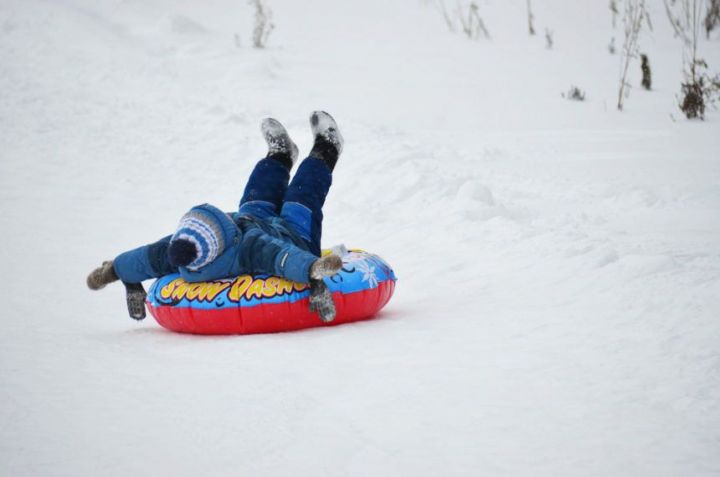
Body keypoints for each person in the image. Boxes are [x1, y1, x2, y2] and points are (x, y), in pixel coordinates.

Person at [87, 111, 345, 323]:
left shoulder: (178, 251)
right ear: (225, 238)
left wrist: (116, 271)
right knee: (301, 196)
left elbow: (144, 259)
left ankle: (281, 154)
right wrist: (312, 271)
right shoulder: (249, 248)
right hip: (293, 237)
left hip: (255, 222)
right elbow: (283, 258)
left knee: (255, 198)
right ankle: (328, 148)